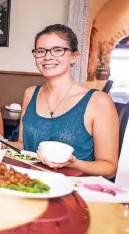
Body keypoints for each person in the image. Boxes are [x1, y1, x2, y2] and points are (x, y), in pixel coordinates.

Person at [8, 24, 119, 177]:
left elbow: (109, 167)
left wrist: (73, 163)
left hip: (75, 190)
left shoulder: (99, 102)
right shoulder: (30, 93)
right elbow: (23, 145)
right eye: (41, 51)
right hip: (29, 183)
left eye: (58, 50)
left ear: (74, 57)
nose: (47, 57)